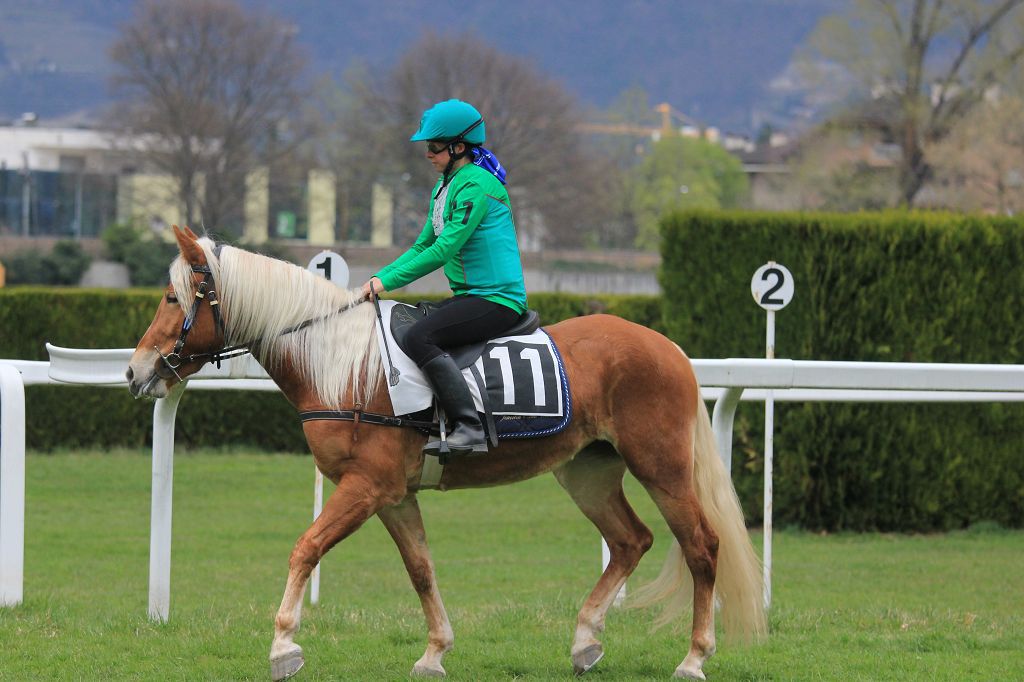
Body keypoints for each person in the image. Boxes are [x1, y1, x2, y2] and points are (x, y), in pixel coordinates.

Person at [361, 99, 527, 455]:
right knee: (410, 322)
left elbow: (443, 250)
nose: (428, 154)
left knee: (420, 336)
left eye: (435, 147)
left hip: (497, 300)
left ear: (459, 147)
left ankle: (469, 427)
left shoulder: (477, 185)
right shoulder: (445, 185)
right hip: (471, 297)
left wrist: (386, 283)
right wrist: (379, 277)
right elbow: (423, 245)